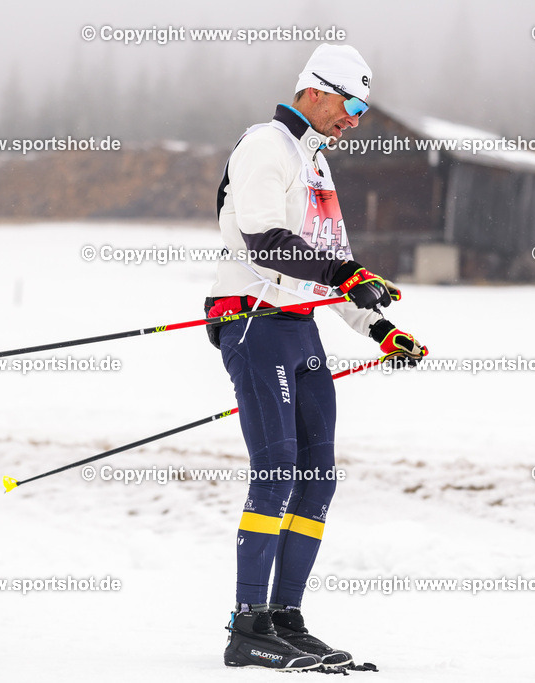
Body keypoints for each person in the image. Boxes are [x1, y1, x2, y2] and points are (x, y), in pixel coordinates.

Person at [205, 43, 427, 670]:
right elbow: (265, 240)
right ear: (316, 90)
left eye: (362, 108)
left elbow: (333, 267)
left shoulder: (318, 166)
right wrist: (347, 271)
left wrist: (379, 328)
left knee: (317, 474)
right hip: (252, 318)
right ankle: (246, 626)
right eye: (351, 104)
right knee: (276, 466)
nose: (355, 118)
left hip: (299, 325)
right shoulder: (266, 146)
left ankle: (284, 618)